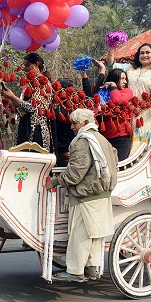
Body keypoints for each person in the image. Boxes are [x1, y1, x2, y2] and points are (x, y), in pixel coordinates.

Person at [45, 109, 118, 283]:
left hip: (86, 195)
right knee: (94, 234)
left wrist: (55, 181)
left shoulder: (82, 142)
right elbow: (114, 157)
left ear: (85, 123)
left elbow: (75, 173)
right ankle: (92, 268)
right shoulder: (102, 139)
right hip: (101, 193)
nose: (72, 127)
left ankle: (76, 271)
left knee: (80, 235)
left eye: (75, 123)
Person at [104, 43, 151, 154]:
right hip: (126, 113)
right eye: (142, 53)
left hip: (146, 116)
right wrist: (111, 47)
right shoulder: (129, 69)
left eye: (147, 52)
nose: (144, 55)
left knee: (143, 149)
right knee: (125, 148)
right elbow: (111, 65)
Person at [0, 52, 53, 152]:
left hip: (36, 130)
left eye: (27, 65)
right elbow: (23, 109)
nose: (25, 68)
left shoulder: (43, 83)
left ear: (36, 65)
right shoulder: (30, 84)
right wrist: (12, 98)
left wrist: (12, 97)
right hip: (25, 127)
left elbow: (33, 107)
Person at [100, 69, 134, 161]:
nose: (125, 82)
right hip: (105, 137)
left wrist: (113, 86)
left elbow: (117, 100)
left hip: (122, 137)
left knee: (120, 164)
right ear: (115, 78)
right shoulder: (103, 93)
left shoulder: (127, 91)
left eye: (125, 79)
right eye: (122, 79)